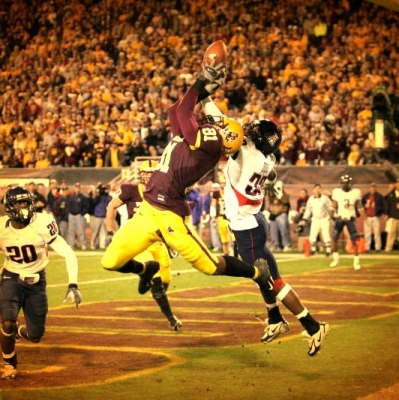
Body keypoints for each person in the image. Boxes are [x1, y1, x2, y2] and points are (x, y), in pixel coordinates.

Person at [100, 51, 275, 344]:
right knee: (110, 261)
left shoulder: (213, 142)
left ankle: (257, 272)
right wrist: (201, 88)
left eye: (219, 123)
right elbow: (174, 111)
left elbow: (183, 113)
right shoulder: (206, 135)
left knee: (208, 266)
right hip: (146, 212)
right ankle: (147, 269)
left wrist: (200, 84)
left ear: (224, 136)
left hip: (170, 214)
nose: (213, 119)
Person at [201, 97, 329, 357]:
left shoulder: (246, 152)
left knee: (270, 281)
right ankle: (275, 319)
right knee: (268, 278)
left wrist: (205, 96)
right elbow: (269, 174)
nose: (249, 130)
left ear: (257, 139)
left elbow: (220, 122)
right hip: (255, 220)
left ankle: (313, 326)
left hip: (247, 226)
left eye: (254, 131)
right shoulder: (267, 158)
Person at [0, 186, 82, 380]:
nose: (24, 208)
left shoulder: (43, 223)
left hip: (37, 281)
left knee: (35, 335)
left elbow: (68, 252)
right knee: (7, 321)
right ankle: (10, 363)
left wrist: (73, 284)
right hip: (11, 277)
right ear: (9, 207)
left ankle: (18, 332)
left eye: (26, 203)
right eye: (18, 204)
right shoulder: (2, 227)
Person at [105, 160, 181, 330]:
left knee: (166, 279)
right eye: (146, 172)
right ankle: (171, 319)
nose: (149, 176)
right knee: (157, 280)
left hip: (158, 241)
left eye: (152, 172)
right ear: (140, 174)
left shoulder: (164, 191)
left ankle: (143, 276)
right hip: (139, 241)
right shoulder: (131, 190)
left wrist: (173, 241)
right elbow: (112, 206)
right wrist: (111, 232)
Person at [330, 175, 366, 269]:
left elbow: (359, 206)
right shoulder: (337, 192)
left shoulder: (355, 192)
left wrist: (365, 219)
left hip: (351, 218)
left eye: (347, 183)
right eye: (344, 183)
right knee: (334, 238)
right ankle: (336, 258)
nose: (345, 185)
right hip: (340, 218)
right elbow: (334, 205)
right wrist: (330, 217)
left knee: (354, 240)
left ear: (350, 184)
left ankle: (356, 261)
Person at [300, 183, 334, 256]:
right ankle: (313, 250)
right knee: (313, 235)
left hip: (324, 218)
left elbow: (331, 207)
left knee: (326, 235)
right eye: (316, 189)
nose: (317, 190)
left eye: (319, 189)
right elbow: (308, 210)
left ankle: (328, 250)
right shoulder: (311, 199)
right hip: (315, 219)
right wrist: (304, 219)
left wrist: (331, 216)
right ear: (313, 190)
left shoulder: (325, 198)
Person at [267, 180, 292, 252]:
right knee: (273, 232)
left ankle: (286, 245)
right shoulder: (272, 195)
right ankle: (275, 245)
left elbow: (285, 201)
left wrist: (280, 195)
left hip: (281, 214)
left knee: (284, 231)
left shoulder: (286, 195)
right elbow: (270, 200)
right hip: (273, 215)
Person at [361, 183, 386, 251]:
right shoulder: (366, 196)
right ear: (369, 188)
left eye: (374, 187)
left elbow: (383, 205)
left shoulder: (379, 196)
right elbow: (361, 205)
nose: (373, 189)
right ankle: (367, 248)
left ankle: (378, 248)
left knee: (377, 233)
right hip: (367, 217)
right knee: (367, 234)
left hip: (376, 216)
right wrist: (365, 206)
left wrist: (378, 209)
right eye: (371, 187)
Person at [66, 183, 90, 250]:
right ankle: (72, 244)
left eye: (78, 187)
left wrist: (82, 213)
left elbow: (86, 206)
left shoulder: (83, 197)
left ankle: (83, 244)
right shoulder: (70, 197)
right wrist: (69, 212)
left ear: (80, 188)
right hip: (71, 215)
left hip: (79, 215)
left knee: (81, 230)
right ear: (74, 188)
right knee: (71, 231)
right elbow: (68, 205)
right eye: (76, 187)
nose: (77, 188)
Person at [90, 183, 112, 250]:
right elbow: (93, 201)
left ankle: (106, 245)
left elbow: (110, 204)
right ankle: (94, 245)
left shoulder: (109, 197)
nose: (104, 191)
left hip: (105, 216)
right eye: (103, 189)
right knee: (96, 232)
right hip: (98, 216)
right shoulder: (97, 197)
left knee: (107, 232)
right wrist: (97, 191)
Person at [384, 178, 399, 252]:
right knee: (391, 233)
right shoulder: (391, 194)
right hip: (393, 216)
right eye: (397, 183)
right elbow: (387, 204)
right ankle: (388, 248)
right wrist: (387, 214)